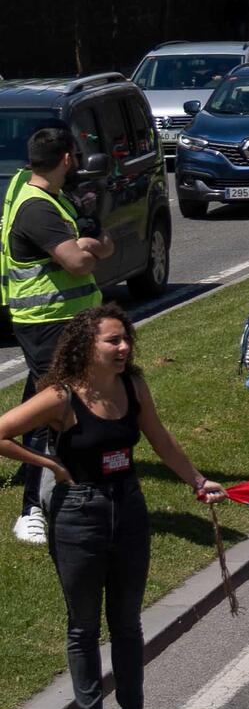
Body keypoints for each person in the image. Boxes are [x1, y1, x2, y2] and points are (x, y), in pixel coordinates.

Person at [0, 305, 225, 709]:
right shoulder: (62, 397)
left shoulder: (133, 385)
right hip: (77, 513)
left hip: (128, 507)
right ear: (88, 345)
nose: (123, 348)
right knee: (83, 626)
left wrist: (198, 481)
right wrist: (49, 465)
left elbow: (161, 439)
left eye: (126, 339)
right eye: (113, 341)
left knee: (126, 622)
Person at [4, 129, 112, 546]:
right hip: (47, 323)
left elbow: (102, 244)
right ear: (67, 159)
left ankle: (70, 488)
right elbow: (79, 261)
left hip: (69, 320)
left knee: (47, 406)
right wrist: (89, 248)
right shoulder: (37, 208)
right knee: (50, 410)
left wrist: (92, 245)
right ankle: (32, 509)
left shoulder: (49, 196)